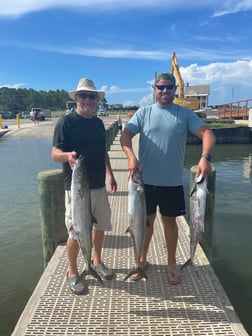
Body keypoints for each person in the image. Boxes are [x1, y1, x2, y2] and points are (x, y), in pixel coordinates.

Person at [120, 72, 215, 284]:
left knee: (170, 224)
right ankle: (141, 260)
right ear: (154, 89)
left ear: (174, 89)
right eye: (161, 87)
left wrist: (205, 157)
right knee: (145, 223)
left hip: (171, 181)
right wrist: (131, 157)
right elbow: (126, 135)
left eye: (169, 87)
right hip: (144, 183)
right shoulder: (144, 113)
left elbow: (207, 133)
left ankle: (171, 263)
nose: (165, 91)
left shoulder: (184, 114)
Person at [51, 77, 117, 295]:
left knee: (100, 226)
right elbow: (54, 154)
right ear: (76, 98)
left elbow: (103, 151)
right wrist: (67, 156)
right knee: (76, 231)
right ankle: (72, 272)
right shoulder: (65, 122)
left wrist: (111, 174)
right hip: (77, 189)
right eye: (83, 95)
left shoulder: (98, 123)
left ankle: (96, 262)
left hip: (98, 185)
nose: (87, 99)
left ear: (96, 99)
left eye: (91, 96)